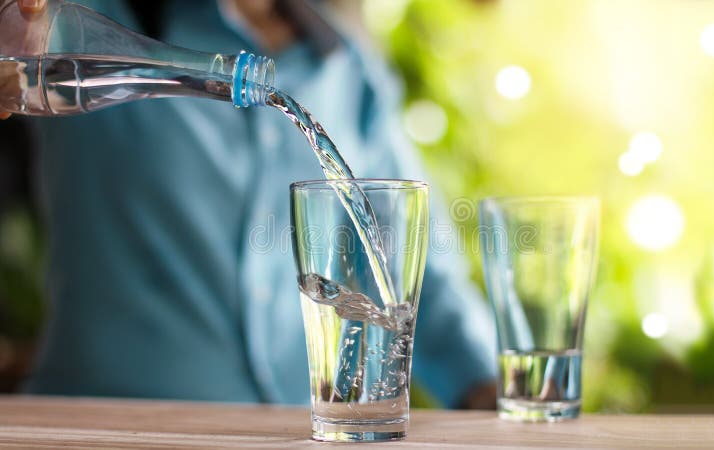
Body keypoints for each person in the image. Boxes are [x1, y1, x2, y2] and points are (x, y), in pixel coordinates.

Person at [2, 0, 497, 408]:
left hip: (295, 433)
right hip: (100, 424)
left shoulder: (346, 68)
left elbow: (413, 266)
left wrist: (490, 389)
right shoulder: (72, 23)